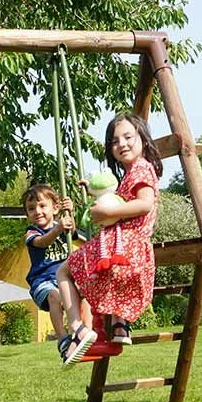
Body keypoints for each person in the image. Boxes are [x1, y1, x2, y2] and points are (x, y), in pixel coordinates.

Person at [55, 112, 162, 366]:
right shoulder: (130, 174)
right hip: (126, 251)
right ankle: (118, 329)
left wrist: (107, 212)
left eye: (128, 137)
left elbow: (145, 204)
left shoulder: (142, 169)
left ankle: (78, 328)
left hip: (123, 248)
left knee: (64, 273)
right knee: (98, 284)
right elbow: (113, 194)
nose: (122, 144)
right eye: (115, 141)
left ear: (143, 140)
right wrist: (92, 189)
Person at [22, 184, 92, 354]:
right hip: (43, 282)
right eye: (31, 209)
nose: (37, 211)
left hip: (65, 279)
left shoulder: (60, 225)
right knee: (55, 296)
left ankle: (87, 333)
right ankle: (62, 339)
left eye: (42, 206)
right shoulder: (31, 232)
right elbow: (42, 242)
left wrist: (70, 213)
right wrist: (58, 228)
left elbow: (72, 232)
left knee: (85, 293)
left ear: (55, 208)